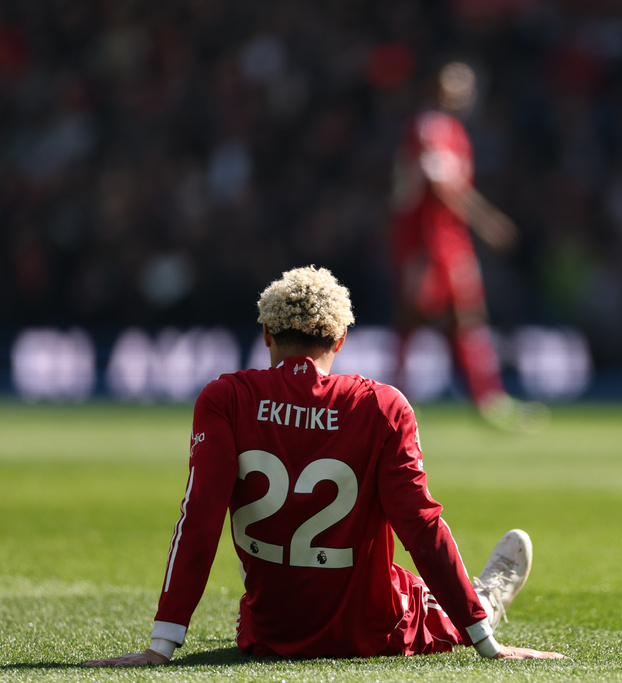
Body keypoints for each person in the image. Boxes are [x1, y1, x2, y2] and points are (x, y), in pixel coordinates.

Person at [83, 266, 565, 666]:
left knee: (371, 587)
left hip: (267, 634)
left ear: (266, 334)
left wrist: (161, 646)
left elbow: (200, 519)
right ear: (341, 339)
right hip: (372, 631)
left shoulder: (224, 399)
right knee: (414, 595)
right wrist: (485, 642)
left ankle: (467, 602)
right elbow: (419, 524)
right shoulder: (382, 405)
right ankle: (484, 604)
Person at [389, 60, 547, 433]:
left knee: (455, 320)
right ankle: (473, 400)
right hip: (430, 240)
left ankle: (476, 399)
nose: (460, 91)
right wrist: (489, 221)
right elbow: (443, 187)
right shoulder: (430, 126)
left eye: (465, 84)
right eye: (451, 83)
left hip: (441, 238)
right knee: (437, 317)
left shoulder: (446, 127)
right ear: (434, 87)